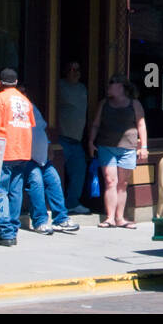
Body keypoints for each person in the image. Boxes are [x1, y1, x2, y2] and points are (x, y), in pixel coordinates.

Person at [88, 74, 147, 229]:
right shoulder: (104, 104)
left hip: (128, 148)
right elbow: (96, 124)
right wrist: (90, 142)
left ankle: (120, 218)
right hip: (106, 146)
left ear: (121, 87)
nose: (108, 87)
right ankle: (109, 218)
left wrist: (144, 147)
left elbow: (141, 125)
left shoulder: (134, 104)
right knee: (110, 181)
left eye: (111, 84)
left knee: (123, 183)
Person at [0, 68, 35, 246]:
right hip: (22, 151)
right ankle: (12, 230)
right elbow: (30, 125)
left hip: (4, 150)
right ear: (16, 82)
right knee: (15, 191)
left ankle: (4, 231)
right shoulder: (25, 100)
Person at [25, 95, 80, 235]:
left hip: (42, 156)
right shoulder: (14, 109)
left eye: (24, 91)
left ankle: (61, 219)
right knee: (36, 183)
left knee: (54, 180)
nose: (23, 94)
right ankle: (40, 222)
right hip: (27, 157)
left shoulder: (32, 107)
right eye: (21, 91)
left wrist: (48, 145)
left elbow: (42, 128)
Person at [57, 60, 90, 213]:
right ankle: (57, 206)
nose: (75, 72)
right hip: (61, 137)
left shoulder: (83, 88)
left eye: (77, 69)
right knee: (56, 174)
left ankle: (72, 203)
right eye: (71, 69)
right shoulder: (59, 86)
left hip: (77, 140)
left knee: (79, 171)